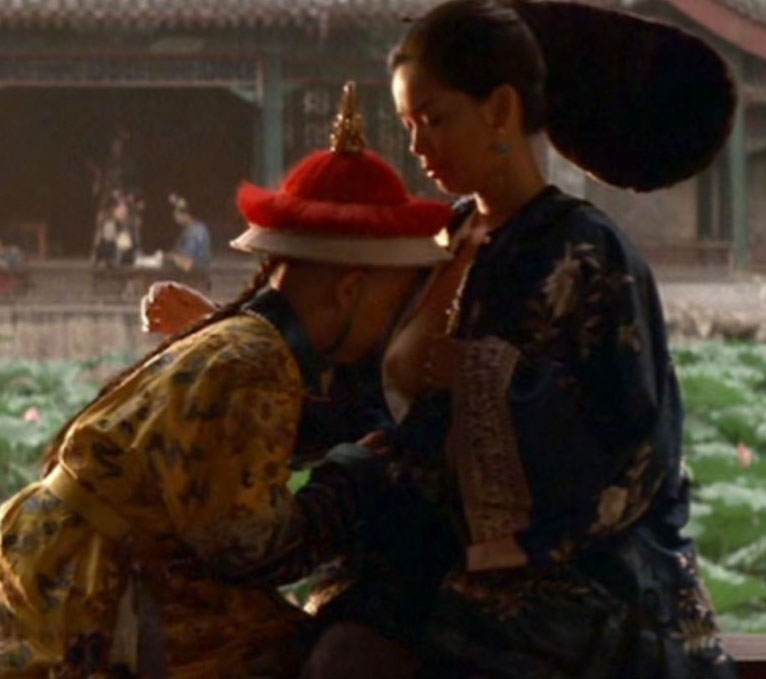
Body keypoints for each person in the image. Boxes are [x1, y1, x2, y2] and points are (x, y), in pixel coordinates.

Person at [142, 3, 739, 677]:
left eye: (433, 119)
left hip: (565, 574)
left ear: (500, 109)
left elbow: (630, 446)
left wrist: (486, 382)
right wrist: (234, 355)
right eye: (407, 125)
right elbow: (363, 394)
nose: (417, 146)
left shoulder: (585, 252)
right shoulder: (435, 242)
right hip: (419, 549)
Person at [0, 83, 452, 679]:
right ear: (349, 290)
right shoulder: (255, 364)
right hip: (101, 592)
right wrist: (353, 476)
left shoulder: (234, 342)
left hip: (56, 564)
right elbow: (251, 548)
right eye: (392, 303)